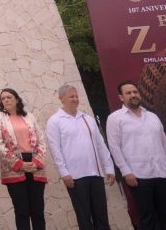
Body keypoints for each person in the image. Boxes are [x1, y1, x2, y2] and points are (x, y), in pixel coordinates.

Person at [105, 81, 166, 230]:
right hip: (138, 175)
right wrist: (126, 172)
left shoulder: (153, 117)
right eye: (128, 93)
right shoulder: (115, 118)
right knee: (147, 218)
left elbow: (165, 144)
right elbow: (114, 147)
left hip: (162, 172)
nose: (133, 95)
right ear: (121, 97)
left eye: (135, 92)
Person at [45, 84, 114, 230]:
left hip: (95, 174)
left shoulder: (87, 118)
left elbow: (100, 144)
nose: (75, 99)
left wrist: (109, 167)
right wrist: (64, 172)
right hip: (75, 177)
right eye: (71, 96)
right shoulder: (55, 121)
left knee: (101, 215)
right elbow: (55, 149)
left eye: (76, 96)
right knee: (84, 218)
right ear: (61, 99)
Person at [0, 88, 49, 230]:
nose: (6, 100)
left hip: (34, 164)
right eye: (3, 98)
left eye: (9, 97)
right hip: (13, 166)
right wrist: (18, 163)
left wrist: (37, 162)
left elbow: (41, 140)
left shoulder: (29, 117)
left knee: (38, 210)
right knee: (22, 211)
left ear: (17, 99)